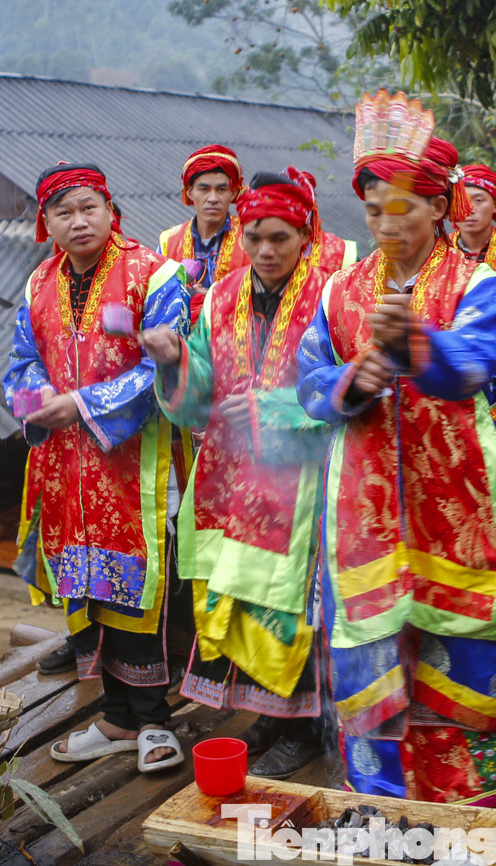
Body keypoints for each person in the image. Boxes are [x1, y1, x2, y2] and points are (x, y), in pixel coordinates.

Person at [296, 90, 496, 804]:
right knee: (372, 662)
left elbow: (472, 364)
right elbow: (311, 386)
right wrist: (355, 378)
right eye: (373, 209)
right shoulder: (339, 289)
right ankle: (380, 799)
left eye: (401, 207)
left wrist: (413, 344)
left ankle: (464, 805)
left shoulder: (479, 283)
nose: (385, 223)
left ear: (439, 208)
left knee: (454, 655)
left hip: (453, 499)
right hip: (363, 510)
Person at [141, 167, 331, 779]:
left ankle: (302, 723)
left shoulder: (332, 295)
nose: (265, 251)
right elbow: (198, 395)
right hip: (228, 474)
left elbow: (345, 388)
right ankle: (271, 714)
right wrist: (174, 364)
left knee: (292, 604)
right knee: (241, 594)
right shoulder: (220, 296)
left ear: (304, 235)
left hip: (303, 481)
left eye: (279, 237)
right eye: (253, 238)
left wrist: (273, 409)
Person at [6, 163, 190, 772]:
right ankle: (116, 716)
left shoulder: (153, 275)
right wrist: (37, 403)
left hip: (137, 465)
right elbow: (22, 362)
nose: (78, 221)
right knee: (88, 588)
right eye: (64, 211)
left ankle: (156, 720)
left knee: (144, 587)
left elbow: (163, 367)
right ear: (46, 223)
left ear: (111, 210)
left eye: (88, 207)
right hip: (67, 469)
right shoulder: (37, 284)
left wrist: (82, 405)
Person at [160, 144, 251, 298]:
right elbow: (158, 294)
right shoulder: (168, 241)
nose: (213, 199)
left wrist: (211, 298)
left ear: (233, 192)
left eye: (221, 190)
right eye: (204, 189)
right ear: (189, 192)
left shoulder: (251, 237)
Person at [455, 163, 496, 269]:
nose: (469, 210)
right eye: (462, 201)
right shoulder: (436, 251)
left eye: (478, 200)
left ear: (495, 206)